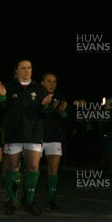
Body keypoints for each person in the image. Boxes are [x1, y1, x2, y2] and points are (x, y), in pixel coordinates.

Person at [0, 60, 52, 215]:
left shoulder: (39, 89)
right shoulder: (9, 87)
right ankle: (12, 201)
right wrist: (1, 97)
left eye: (29, 68)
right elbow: (0, 109)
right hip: (13, 133)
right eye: (23, 68)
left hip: (33, 134)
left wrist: (45, 105)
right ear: (17, 70)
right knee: (14, 167)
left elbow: (45, 114)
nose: (27, 71)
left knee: (33, 167)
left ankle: (29, 201)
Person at [40, 73, 68, 210]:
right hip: (37, 137)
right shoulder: (36, 96)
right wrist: (49, 107)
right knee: (32, 168)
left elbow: (67, 119)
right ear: (42, 83)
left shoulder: (60, 98)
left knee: (53, 169)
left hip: (55, 138)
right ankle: (27, 197)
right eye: (49, 81)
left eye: (54, 81)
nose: (52, 84)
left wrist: (63, 112)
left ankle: (51, 199)